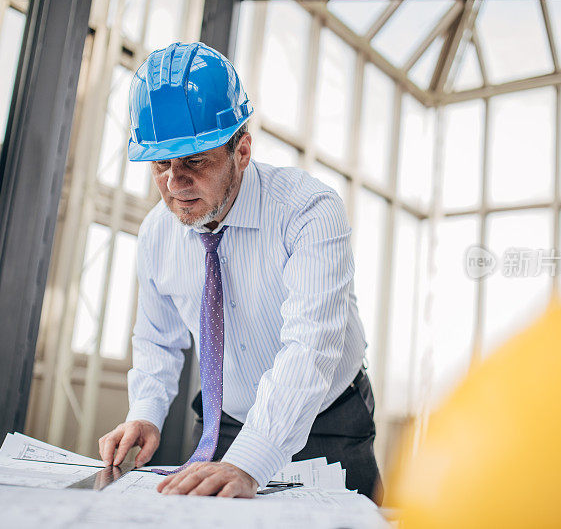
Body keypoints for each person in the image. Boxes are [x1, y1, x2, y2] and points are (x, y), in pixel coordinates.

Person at [98, 42, 380, 500]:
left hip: (329, 419)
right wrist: (145, 411)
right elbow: (157, 338)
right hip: (224, 421)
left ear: (242, 150)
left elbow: (310, 347)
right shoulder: (156, 233)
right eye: (161, 165)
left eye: (193, 161)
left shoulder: (308, 211)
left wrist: (249, 462)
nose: (174, 183)